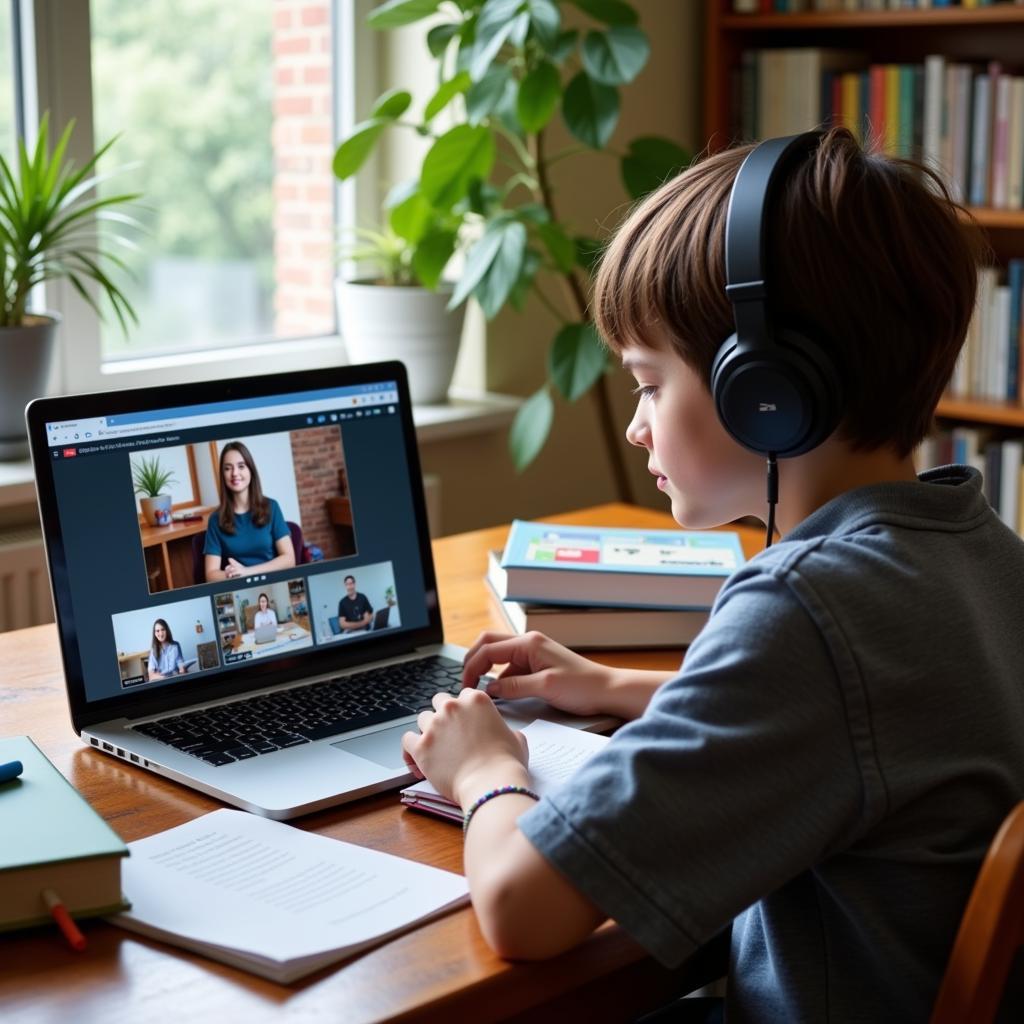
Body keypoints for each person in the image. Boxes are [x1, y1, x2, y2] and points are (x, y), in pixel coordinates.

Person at [399, 127, 1024, 1022]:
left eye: (650, 383)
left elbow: (521, 909)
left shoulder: (807, 609)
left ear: (765, 390)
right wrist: (619, 686)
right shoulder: (976, 549)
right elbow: (868, 726)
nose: (635, 427)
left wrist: (484, 768)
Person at [204, 441, 296, 582]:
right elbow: (211, 574)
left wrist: (247, 572)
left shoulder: (272, 507)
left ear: (250, 470)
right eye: (228, 468)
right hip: (238, 586)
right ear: (223, 475)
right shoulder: (216, 519)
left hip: (273, 582)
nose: (235, 473)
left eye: (241, 466)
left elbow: (289, 559)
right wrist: (233, 574)